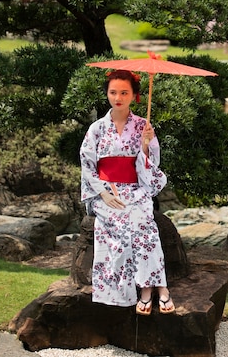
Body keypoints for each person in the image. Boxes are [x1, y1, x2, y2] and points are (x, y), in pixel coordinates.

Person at [79, 69, 175, 316]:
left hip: (134, 188)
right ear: (107, 94)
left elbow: (150, 165)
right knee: (121, 227)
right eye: (113, 92)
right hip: (106, 192)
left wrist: (146, 145)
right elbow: (87, 164)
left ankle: (153, 287)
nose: (118, 97)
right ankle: (130, 291)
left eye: (124, 92)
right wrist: (101, 193)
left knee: (146, 225)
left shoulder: (143, 125)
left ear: (134, 95)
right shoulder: (97, 128)